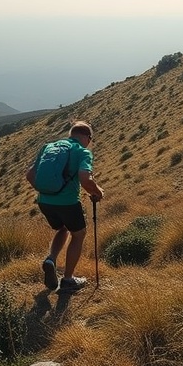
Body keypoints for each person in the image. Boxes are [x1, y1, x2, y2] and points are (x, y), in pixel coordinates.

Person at [39, 121, 104, 294]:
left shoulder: (49, 147)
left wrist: (48, 192)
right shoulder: (82, 152)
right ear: (86, 137)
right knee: (79, 234)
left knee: (62, 229)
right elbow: (85, 178)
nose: (89, 142)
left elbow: (30, 174)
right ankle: (68, 280)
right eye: (90, 139)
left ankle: (51, 260)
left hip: (44, 201)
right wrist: (97, 192)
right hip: (68, 202)